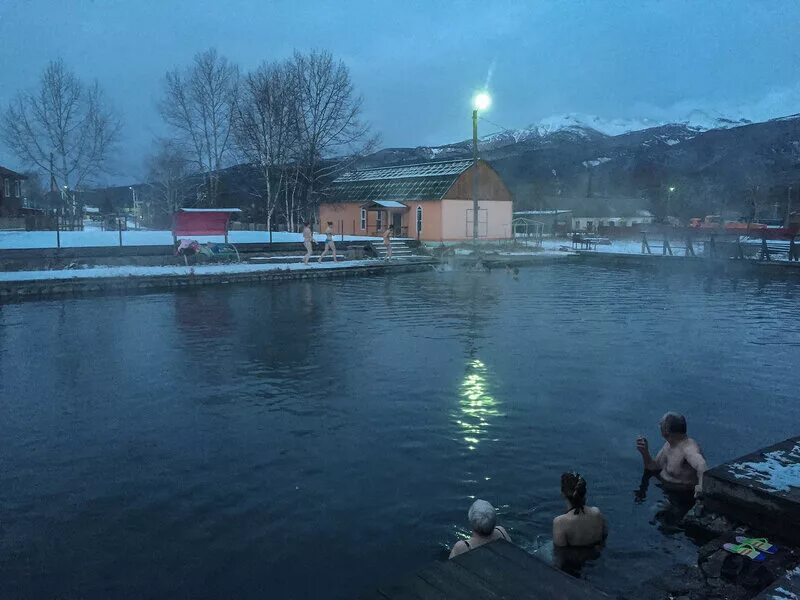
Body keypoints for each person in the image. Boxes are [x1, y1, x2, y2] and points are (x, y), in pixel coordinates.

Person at [636, 412, 707, 497]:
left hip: (682, 497)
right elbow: (653, 467)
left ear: (666, 429)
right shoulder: (669, 444)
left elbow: (702, 466)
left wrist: (700, 488)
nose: (659, 425)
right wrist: (644, 452)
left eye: (661, 423)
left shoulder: (688, 449)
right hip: (665, 489)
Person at [552, 472, 608, 548]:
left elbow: (559, 553)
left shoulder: (560, 522)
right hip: (595, 555)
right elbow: (604, 537)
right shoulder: (597, 513)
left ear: (563, 494)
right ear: (583, 492)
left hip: (573, 558)